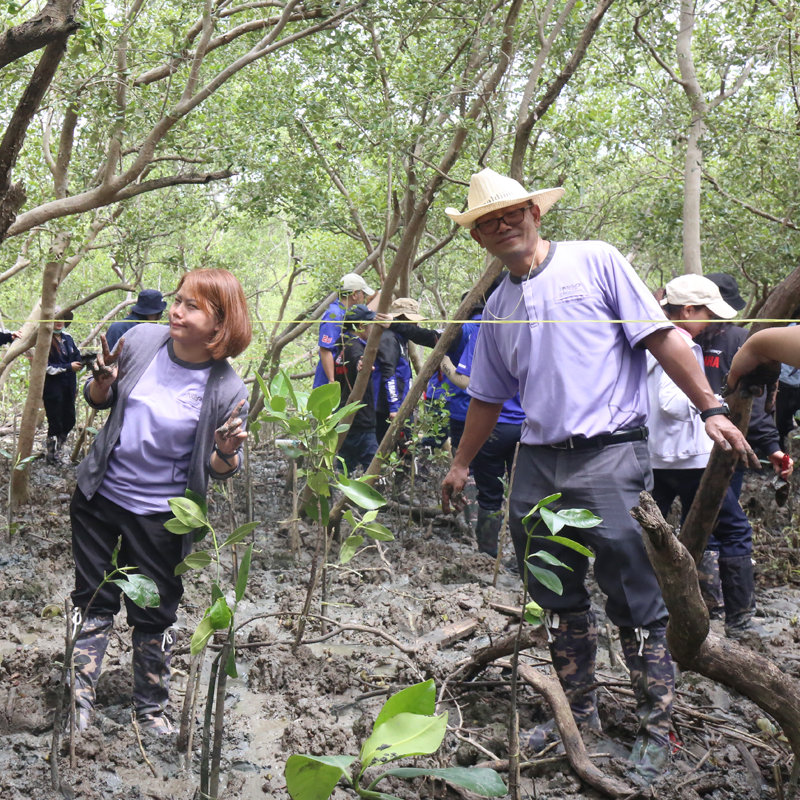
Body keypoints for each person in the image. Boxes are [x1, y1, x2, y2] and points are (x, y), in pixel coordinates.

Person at [439, 168, 756, 783]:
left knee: (635, 592)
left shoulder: (596, 262)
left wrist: (710, 407)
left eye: (512, 213)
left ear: (537, 213)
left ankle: (656, 721)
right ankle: (576, 711)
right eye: (487, 221)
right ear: (478, 238)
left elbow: (663, 339)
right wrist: (458, 464)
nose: (502, 225)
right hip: (537, 459)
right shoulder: (498, 306)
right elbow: (486, 395)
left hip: (611, 455)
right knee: (555, 592)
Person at [69, 268, 251, 735]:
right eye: (178, 300)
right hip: (100, 499)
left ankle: (149, 711)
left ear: (221, 323)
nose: (176, 311)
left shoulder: (228, 389)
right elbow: (98, 400)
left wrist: (226, 452)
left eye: (192, 306)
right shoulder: (140, 341)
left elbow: (219, 470)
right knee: (93, 599)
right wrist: (103, 384)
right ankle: (77, 704)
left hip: (162, 517)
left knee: (155, 611)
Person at [647, 275, 782, 641]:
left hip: (658, 457)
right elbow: (672, 404)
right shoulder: (675, 342)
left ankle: (677, 608)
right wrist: (718, 408)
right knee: (733, 531)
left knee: (665, 535)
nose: (712, 321)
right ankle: (738, 620)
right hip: (688, 459)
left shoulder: (647, 336)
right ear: (688, 310)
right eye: (707, 312)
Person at [693, 274, 792, 634]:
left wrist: (773, 448)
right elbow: (755, 404)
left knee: (706, 523)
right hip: (712, 449)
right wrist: (773, 447)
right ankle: (733, 615)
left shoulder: (681, 337)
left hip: (697, 451)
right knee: (728, 526)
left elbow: (751, 402)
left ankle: (712, 608)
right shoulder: (736, 339)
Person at [333, 305, 381, 473]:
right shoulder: (354, 347)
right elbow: (357, 360)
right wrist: (363, 363)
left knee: (344, 468)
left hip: (345, 418)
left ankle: (343, 498)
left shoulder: (342, 345)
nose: (372, 329)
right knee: (374, 470)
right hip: (361, 422)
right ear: (361, 326)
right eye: (371, 324)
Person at [313, 273, 376, 388]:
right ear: (354, 294)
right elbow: (325, 349)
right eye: (363, 293)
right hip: (328, 382)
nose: (364, 297)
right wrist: (332, 382)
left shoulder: (349, 313)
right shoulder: (334, 315)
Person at [44, 308, 81, 465]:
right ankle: (51, 455)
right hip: (53, 388)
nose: (59, 321)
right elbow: (45, 367)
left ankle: (59, 449)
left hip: (69, 386)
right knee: (55, 422)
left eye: (61, 318)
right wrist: (67, 367)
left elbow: (77, 358)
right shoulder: (45, 340)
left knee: (69, 419)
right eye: (55, 318)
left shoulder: (68, 338)